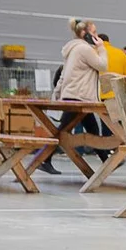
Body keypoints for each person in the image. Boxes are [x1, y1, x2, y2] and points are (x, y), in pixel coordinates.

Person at [46, 18, 109, 173]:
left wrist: (58, 92)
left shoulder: (73, 49)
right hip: (79, 96)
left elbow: (63, 74)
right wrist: (101, 48)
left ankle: (107, 160)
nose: (96, 36)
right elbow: (103, 65)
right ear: (83, 33)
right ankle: (43, 158)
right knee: (62, 131)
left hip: (76, 95)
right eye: (94, 32)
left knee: (93, 130)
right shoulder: (84, 49)